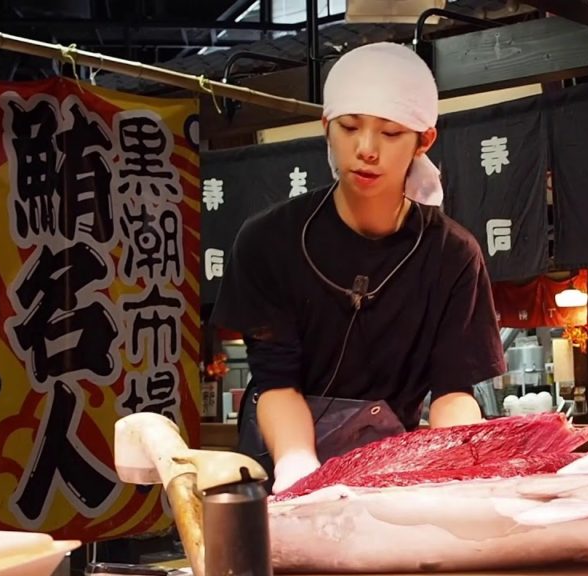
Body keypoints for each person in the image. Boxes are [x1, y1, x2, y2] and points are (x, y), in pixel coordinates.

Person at [210, 42, 507, 494]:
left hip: (387, 476)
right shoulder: (268, 240)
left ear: (423, 140)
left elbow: (452, 390)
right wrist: (297, 467)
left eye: (390, 134)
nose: (366, 149)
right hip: (278, 469)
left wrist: (455, 465)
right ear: (326, 127)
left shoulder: (453, 255)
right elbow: (276, 381)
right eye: (350, 127)